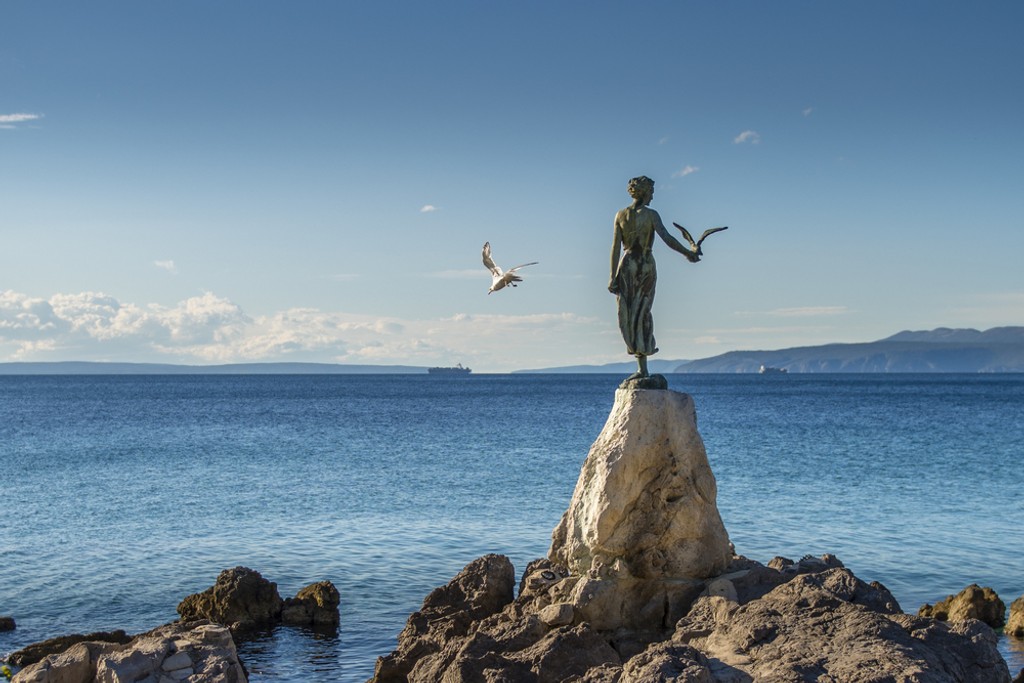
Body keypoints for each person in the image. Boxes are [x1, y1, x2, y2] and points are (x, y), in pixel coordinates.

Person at [609, 175, 700, 379]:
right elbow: (667, 238)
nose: (652, 196)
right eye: (651, 192)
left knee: (628, 313)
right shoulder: (651, 215)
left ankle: (641, 366)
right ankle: (642, 368)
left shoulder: (620, 215)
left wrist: (612, 276)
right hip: (645, 265)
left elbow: (615, 248)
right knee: (642, 311)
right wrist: (688, 253)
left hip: (627, 265)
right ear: (644, 192)